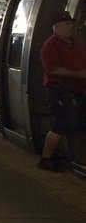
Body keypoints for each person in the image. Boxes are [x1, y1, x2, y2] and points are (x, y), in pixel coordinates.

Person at [37, 11, 86, 171]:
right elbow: (52, 70)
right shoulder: (50, 45)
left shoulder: (75, 43)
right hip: (58, 90)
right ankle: (46, 159)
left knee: (76, 122)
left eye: (71, 24)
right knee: (60, 125)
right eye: (66, 24)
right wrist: (78, 74)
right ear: (55, 27)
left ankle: (73, 156)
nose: (70, 27)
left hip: (76, 90)